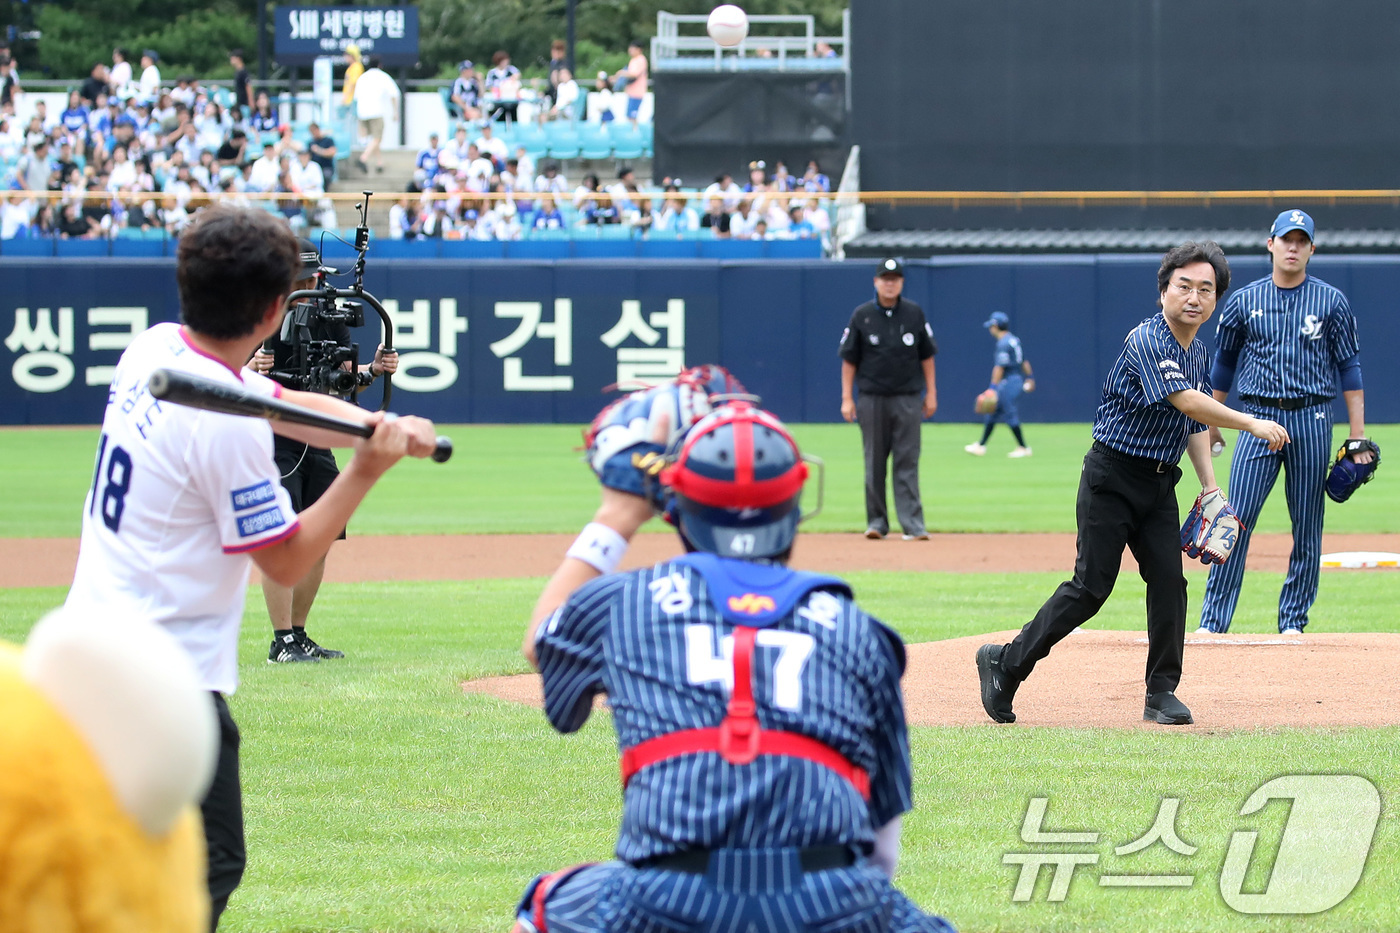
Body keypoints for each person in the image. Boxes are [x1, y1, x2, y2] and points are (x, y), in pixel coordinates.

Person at [63, 205, 438, 929]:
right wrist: (367, 467)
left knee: (118, 856)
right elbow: (287, 554)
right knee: (209, 863)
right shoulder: (221, 427)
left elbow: (276, 401)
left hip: (93, 656)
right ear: (275, 310)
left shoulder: (157, 348)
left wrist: (370, 424)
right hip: (160, 683)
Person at [512, 397, 956, 933]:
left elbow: (543, 642)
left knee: (546, 907)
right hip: (833, 897)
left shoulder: (622, 601)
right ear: (795, 504)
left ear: (677, 508)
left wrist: (618, 514)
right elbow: (882, 851)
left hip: (663, 897)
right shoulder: (861, 631)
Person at [975, 242, 1291, 728]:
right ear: (1163, 290)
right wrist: (1249, 422)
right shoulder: (1147, 339)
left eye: (1205, 289)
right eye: (1183, 285)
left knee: (1170, 583)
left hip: (1160, 485)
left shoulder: (1198, 349)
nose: (1194, 297)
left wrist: (1209, 489)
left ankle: (1161, 690)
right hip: (1112, 478)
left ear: (1215, 300)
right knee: (1090, 589)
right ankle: (1006, 662)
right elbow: (1187, 402)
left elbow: (1194, 426)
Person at [1197, 210, 1372, 635]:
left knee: (1308, 525)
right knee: (1235, 521)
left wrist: (1357, 436)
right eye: (1286, 239)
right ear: (1270, 243)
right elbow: (1223, 366)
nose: (1293, 247)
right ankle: (1213, 623)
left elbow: (1350, 369)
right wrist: (1214, 421)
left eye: (1301, 241)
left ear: (1311, 249)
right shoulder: (1243, 301)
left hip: (1311, 417)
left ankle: (1292, 622)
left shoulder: (1331, 301)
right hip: (1256, 418)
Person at [248, 237, 399, 662]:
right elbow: (225, 378)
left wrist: (372, 368)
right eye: (299, 279)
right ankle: (282, 641)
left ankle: (299, 633)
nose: (307, 285)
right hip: (274, 437)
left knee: (320, 538)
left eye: (309, 278)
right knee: (282, 534)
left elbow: (347, 381)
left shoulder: (328, 316)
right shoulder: (258, 318)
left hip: (318, 433)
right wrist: (249, 368)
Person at [839, 258, 937, 541]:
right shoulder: (863, 315)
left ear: (902, 282)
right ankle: (877, 522)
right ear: (876, 282)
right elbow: (849, 360)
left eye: (895, 278)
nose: (890, 283)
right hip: (872, 398)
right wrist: (847, 398)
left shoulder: (914, 314)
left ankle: (913, 524)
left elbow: (927, 356)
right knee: (874, 462)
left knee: (907, 461)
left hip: (907, 397)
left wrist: (931, 393)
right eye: (885, 278)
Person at [965, 311, 1036, 458]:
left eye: (991, 326)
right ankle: (981, 445)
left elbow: (999, 367)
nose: (990, 329)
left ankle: (1023, 447)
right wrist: (1030, 377)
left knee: (1009, 412)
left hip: (1009, 381)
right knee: (993, 412)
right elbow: (1024, 360)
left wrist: (992, 388)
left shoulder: (1003, 343)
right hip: (1016, 379)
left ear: (996, 326)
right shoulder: (1013, 340)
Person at [352, 56, 399, 174]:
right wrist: (395, 111)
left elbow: (356, 97)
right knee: (377, 138)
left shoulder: (362, 77)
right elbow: (394, 93)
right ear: (380, 65)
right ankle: (363, 158)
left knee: (372, 139)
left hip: (362, 112)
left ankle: (379, 162)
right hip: (376, 111)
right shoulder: (383, 76)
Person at [610, 40, 649, 127]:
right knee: (629, 115)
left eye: (632, 48)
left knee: (632, 116)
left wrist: (620, 72)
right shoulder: (633, 60)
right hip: (631, 92)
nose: (630, 50)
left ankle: (634, 133)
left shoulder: (641, 60)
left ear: (639, 49)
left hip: (637, 92)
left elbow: (634, 74)